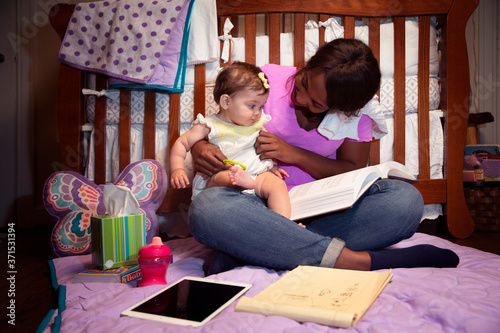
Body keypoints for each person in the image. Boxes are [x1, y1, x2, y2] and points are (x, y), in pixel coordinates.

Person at [188, 38, 459, 272]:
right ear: (309, 64)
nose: (301, 98)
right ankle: (356, 261)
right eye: (303, 82)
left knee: (405, 200)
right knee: (207, 207)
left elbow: (351, 170)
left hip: (322, 213)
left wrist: (295, 154)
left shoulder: (356, 116)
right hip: (256, 206)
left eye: (317, 104)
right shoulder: (266, 80)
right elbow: (218, 125)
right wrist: (200, 147)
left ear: (341, 109)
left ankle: (251, 250)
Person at [170, 62, 292, 218]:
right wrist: (177, 169)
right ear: (226, 102)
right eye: (252, 106)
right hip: (220, 181)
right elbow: (182, 143)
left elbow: (267, 147)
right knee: (226, 177)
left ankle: (285, 223)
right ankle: (241, 182)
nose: (257, 113)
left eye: (261, 107)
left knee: (278, 185)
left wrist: (273, 165)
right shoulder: (210, 125)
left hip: (255, 177)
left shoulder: (257, 124)